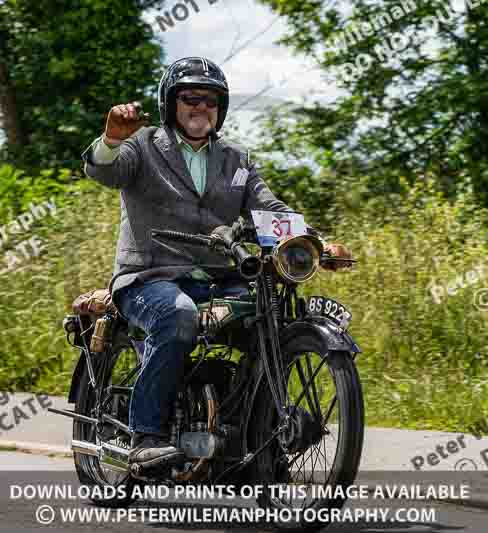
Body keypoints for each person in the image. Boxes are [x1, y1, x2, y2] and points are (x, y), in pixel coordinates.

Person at [81, 56, 351, 470]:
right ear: (171, 103)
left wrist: (315, 241)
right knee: (178, 316)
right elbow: (104, 172)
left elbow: (268, 208)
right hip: (151, 276)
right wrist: (111, 140)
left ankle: (252, 436)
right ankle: (145, 434)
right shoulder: (144, 146)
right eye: (190, 97)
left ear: (220, 109)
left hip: (221, 276)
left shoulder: (235, 159)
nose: (200, 107)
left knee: (269, 316)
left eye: (210, 101)